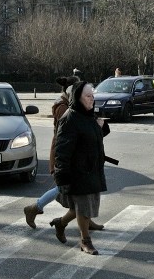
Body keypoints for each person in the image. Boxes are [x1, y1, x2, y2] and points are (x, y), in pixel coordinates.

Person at [22, 76, 104, 232]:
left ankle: (85, 220)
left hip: (75, 155)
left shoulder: (69, 105)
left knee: (82, 192)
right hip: (65, 154)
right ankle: (34, 208)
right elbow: (71, 131)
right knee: (65, 190)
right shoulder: (63, 108)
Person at [50, 81, 110, 255]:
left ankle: (60, 223)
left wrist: (101, 126)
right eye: (88, 96)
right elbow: (62, 150)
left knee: (81, 207)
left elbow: (94, 136)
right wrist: (61, 177)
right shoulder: (69, 119)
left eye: (93, 96)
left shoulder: (88, 115)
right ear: (78, 97)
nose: (92, 99)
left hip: (91, 169)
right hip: (78, 172)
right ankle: (85, 241)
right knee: (83, 208)